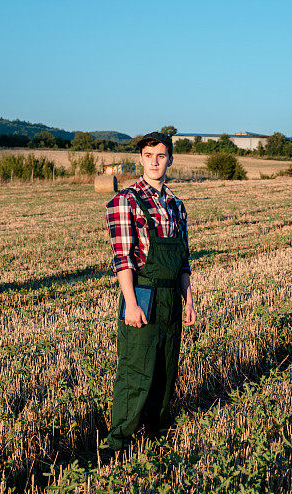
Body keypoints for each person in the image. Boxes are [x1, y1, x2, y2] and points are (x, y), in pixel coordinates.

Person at [103, 131, 196, 453]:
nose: (155, 162)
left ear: (170, 159)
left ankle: (156, 434)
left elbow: (183, 259)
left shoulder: (176, 205)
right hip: (142, 293)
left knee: (167, 367)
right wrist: (130, 303)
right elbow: (123, 259)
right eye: (148, 156)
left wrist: (189, 300)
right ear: (141, 158)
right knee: (136, 368)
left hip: (172, 295)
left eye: (161, 156)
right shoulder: (124, 201)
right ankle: (117, 442)